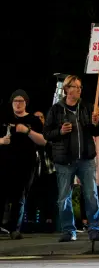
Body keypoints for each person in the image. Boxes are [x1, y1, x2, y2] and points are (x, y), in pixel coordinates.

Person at [43, 75, 99, 242]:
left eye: (80, 87)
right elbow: (46, 134)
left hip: (86, 159)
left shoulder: (87, 107)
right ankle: (69, 231)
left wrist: (96, 123)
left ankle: (94, 228)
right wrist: (60, 132)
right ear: (67, 89)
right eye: (75, 87)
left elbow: (96, 132)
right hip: (64, 161)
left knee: (91, 194)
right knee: (64, 197)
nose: (79, 89)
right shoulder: (56, 110)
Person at [0, 90, 46, 240]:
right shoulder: (4, 118)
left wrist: (27, 131)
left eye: (21, 101)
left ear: (26, 102)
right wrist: (1, 141)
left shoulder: (34, 120)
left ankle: (15, 228)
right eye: (15, 101)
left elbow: (44, 141)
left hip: (26, 164)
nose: (18, 103)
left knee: (19, 197)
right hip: (4, 163)